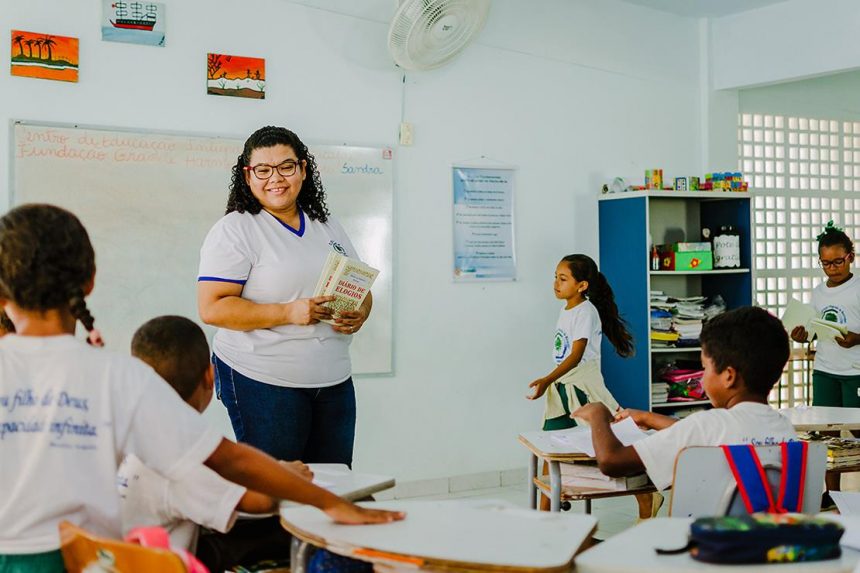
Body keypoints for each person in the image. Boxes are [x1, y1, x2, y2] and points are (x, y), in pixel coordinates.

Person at [0, 204, 402, 572]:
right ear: (89, 281)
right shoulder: (118, 376)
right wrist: (332, 503)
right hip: (86, 561)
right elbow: (230, 461)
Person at [198, 126, 369, 466]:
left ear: (303, 169)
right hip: (263, 380)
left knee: (333, 488)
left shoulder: (326, 225)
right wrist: (289, 313)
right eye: (263, 170)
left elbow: (360, 287)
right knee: (278, 491)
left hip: (333, 380)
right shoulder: (236, 229)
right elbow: (212, 308)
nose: (275, 178)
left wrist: (360, 311)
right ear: (248, 176)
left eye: (286, 167)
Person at [123, 315, 308, 572]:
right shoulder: (178, 456)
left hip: (115, 561)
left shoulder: (123, 436)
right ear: (210, 375)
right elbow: (262, 501)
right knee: (298, 533)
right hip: (166, 565)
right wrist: (286, 473)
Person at [573, 306, 796, 491]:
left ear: (729, 376)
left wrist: (598, 415)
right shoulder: (785, 430)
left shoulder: (708, 425)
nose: (702, 379)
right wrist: (650, 418)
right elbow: (705, 435)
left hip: (706, 542)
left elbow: (612, 461)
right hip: (773, 541)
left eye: (704, 368)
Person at [526, 254, 633, 430]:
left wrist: (547, 380)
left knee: (601, 434)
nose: (556, 284)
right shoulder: (567, 309)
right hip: (564, 380)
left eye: (563, 279)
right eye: (556, 277)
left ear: (582, 286)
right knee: (551, 435)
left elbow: (576, 356)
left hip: (581, 383)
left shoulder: (585, 312)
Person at [790, 220, 860, 408]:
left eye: (838, 261)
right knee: (826, 427)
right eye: (826, 263)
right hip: (824, 369)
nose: (832, 268)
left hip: (856, 371)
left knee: (856, 427)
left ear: (851, 257)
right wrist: (803, 337)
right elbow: (814, 330)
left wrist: (857, 339)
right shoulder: (818, 291)